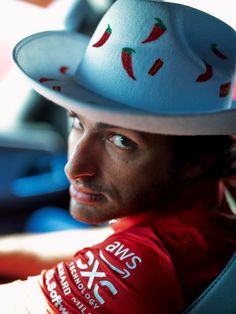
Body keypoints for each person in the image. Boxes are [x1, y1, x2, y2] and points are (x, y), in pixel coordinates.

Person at [0, 0, 236, 312]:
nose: (75, 167)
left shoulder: (151, 263)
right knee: (42, 219)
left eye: (122, 140)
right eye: (77, 122)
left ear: (196, 160)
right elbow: (103, 244)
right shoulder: (205, 207)